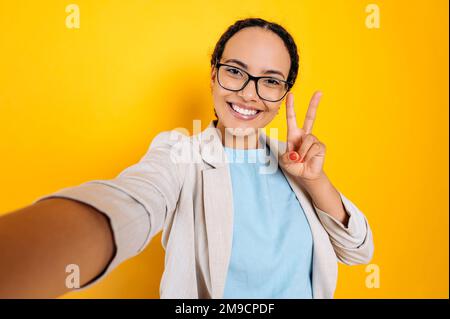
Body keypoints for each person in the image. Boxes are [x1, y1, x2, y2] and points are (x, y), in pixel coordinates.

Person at [0, 17, 373, 299]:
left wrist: (314, 179)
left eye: (270, 80)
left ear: (284, 94)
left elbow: (359, 251)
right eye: (235, 72)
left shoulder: (294, 163)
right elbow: (136, 200)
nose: (248, 94)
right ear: (213, 75)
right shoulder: (181, 153)